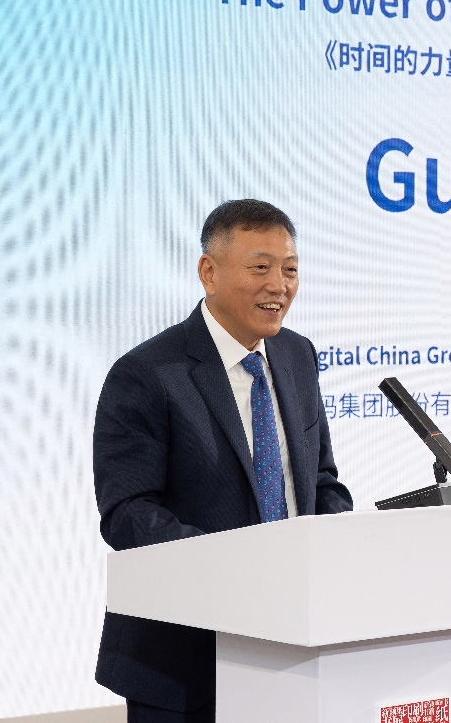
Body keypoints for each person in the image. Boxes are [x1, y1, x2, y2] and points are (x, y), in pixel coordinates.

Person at [93, 199, 353, 723]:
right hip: (183, 663)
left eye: (290, 270)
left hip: (294, 644)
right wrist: (236, 570)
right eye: (260, 268)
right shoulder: (147, 373)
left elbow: (320, 480)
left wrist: (336, 547)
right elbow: (128, 512)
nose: (278, 285)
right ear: (208, 273)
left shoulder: (297, 355)